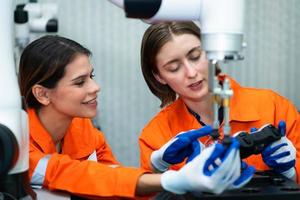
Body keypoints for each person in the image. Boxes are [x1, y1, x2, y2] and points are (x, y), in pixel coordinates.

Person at [18, 35, 250, 199]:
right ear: (42, 94)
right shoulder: (17, 143)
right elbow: (72, 173)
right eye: (80, 82)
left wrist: (159, 171)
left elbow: (114, 183)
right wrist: (170, 180)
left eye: (92, 76)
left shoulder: (85, 131)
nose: (95, 87)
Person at [139, 21, 300, 182]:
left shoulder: (274, 108)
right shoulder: (156, 136)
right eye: (174, 67)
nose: (191, 72)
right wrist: (160, 172)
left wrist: (291, 173)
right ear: (159, 76)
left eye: (195, 57)